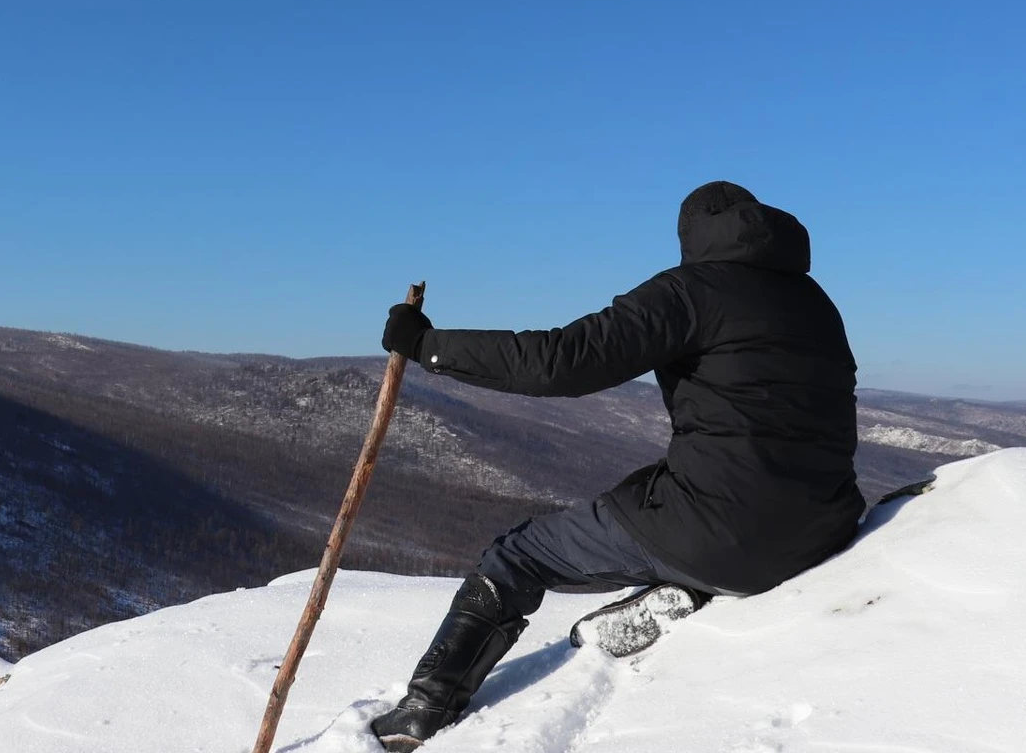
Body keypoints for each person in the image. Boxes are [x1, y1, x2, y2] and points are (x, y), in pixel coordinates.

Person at [368, 181, 862, 751]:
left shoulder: (689, 291)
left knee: (518, 555)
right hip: (823, 528)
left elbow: (562, 361)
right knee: (646, 495)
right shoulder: (817, 302)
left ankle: (422, 713)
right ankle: (686, 587)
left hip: (723, 536)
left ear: (691, 235)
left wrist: (429, 345)